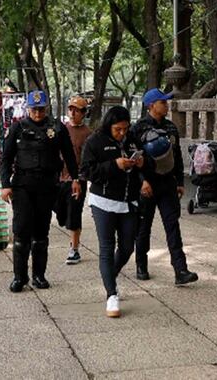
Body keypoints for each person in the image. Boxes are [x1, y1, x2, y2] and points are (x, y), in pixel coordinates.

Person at [0, 89, 80, 293]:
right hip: (22, 186)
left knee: (41, 233)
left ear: (46, 108)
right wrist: (5, 185)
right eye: (34, 109)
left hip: (46, 186)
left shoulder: (57, 128)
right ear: (28, 108)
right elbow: (6, 159)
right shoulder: (17, 128)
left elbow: (69, 155)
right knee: (21, 231)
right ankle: (20, 277)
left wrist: (75, 178)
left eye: (41, 109)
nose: (38, 113)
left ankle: (39, 275)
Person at [81, 105, 144, 318]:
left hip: (129, 201)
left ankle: (109, 276)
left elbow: (148, 165)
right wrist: (114, 165)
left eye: (125, 128)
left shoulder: (132, 138)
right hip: (103, 201)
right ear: (109, 125)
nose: (122, 133)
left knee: (127, 247)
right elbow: (87, 172)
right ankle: (111, 294)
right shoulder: (95, 141)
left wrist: (143, 163)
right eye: (118, 129)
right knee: (107, 247)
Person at [132, 88, 199, 286]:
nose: (166, 105)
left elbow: (176, 156)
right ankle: (141, 264)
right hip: (148, 184)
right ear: (151, 105)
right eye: (163, 102)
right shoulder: (139, 128)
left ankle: (181, 270)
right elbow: (134, 158)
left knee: (173, 226)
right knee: (144, 227)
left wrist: (179, 182)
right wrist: (142, 180)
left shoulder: (170, 127)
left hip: (167, 183)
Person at [61, 96, 91, 265]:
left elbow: (86, 162)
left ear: (84, 113)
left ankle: (75, 249)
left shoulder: (88, 134)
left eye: (77, 110)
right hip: (59, 179)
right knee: (61, 212)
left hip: (77, 181)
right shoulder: (61, 129)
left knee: (74, 214)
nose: (73, 113)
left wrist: (79, 179)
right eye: (71, 109)